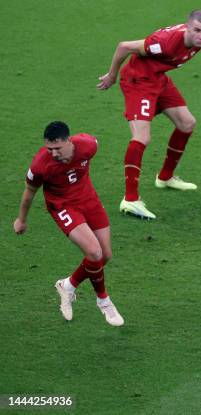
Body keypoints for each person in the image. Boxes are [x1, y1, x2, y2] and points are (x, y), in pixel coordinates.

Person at [97, 9, 201, 219]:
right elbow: (124, 46)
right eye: (197, 30)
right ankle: (130, 200)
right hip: (138, 81)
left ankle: (165, 177)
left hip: (158, 79)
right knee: (142, 137)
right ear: (187, 28)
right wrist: (112, 75)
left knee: (187, 123)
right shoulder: (164, 42)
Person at [13, 121, 124, 327]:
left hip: (89, 200)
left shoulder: (88, 145)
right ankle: (103, 301)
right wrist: (22, 219)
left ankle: (68, 285)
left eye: (57, 148)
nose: (53, 153)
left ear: (68, 141)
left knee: (105, 255)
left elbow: (94, 143)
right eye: (49, 149)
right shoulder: (40, 165)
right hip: (63, 206)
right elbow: (29, 193)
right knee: (94, 252)